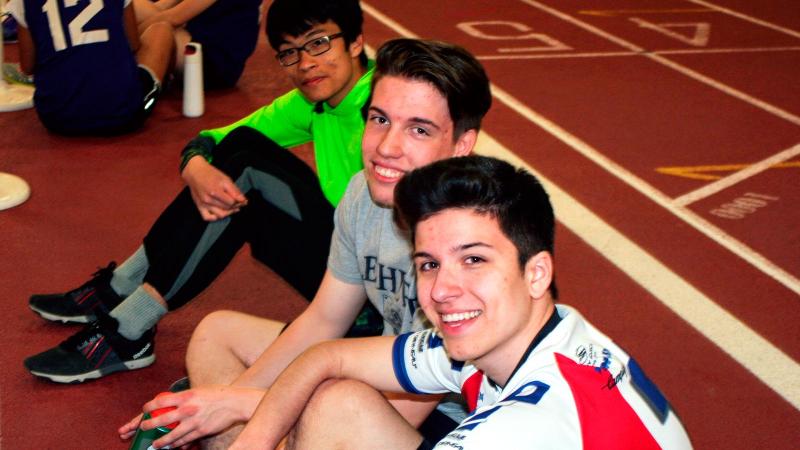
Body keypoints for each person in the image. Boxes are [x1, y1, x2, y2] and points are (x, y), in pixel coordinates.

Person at [117, 38, 493, 450]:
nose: (386, 147)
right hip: (380, 378)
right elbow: (325, 320)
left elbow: (405, 404)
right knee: (215, 333)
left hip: (449, 425)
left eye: (418, 129)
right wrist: (209, 404)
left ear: (461, 145)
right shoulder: (364, 195)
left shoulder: (471, 248)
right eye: (380, 119)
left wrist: (240, 404)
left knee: (333, 405)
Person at [222, 155, 694, 449]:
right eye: (428, 264)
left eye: (473, 260)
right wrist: (255, 440)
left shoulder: (525, 425)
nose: (442, 290)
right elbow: (328, 355)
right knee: (337, 401)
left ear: (537, 273)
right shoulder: (515, 336)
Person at [24, 0, 376, 383]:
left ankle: (127, 330)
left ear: (355, 42)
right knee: (242, 150)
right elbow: (215, 140)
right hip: (345, 259)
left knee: (248, 171)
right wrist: (193, 165)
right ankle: (120, 288)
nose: (306, 63)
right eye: (290, 52)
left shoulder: (387, 107)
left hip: (372, 293)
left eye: (319, 43)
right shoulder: (315, 103)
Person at [7, 0, 174, 134]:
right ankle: (159, 87)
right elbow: (133, 43)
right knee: (161, 30)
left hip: (56, 115)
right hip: (122, 113)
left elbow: (28, 65)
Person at [131, 0, 261, 89]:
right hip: (191, 34)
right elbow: (163, 6)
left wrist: (128, 37)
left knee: (158, 31)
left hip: (214, 60)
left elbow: (175, 17)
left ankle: (134, 85)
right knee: (134, 7)